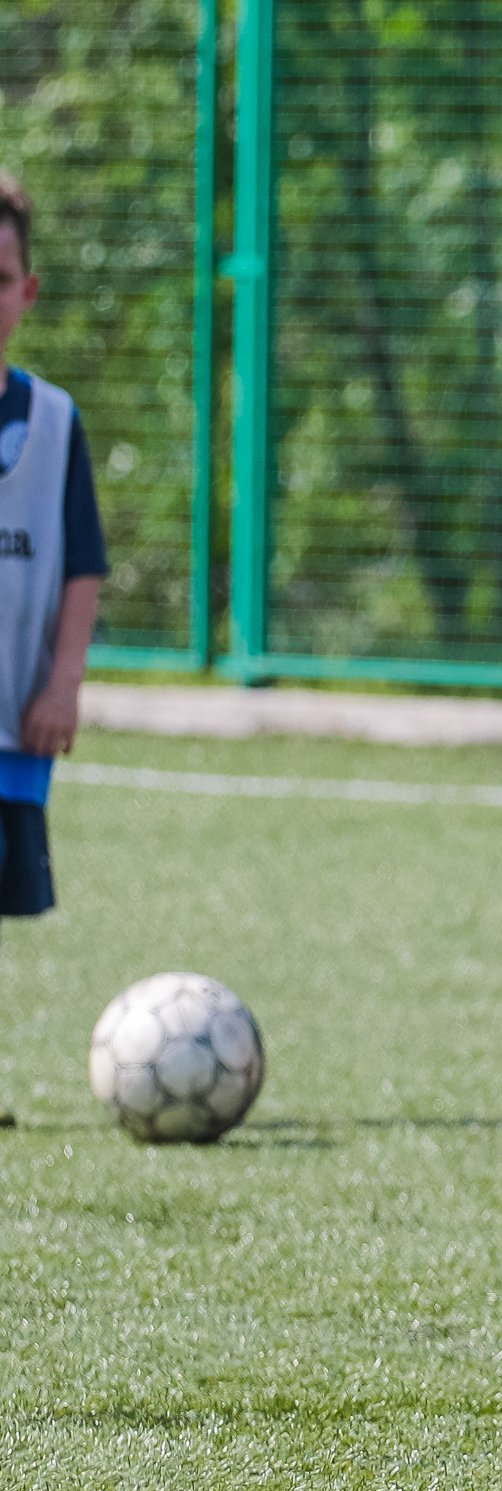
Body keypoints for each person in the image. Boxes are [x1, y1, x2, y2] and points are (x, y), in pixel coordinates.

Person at [0, 173, 107, 1128]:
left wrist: (64, 679)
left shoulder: (57, 423)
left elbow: (82, 565)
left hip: (17, 718)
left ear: (27, 293)